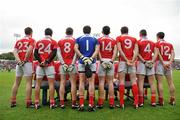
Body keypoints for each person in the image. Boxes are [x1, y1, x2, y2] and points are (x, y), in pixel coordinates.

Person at [74, 25, 99, 111]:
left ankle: (81, 104)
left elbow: (75, 48)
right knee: (91, 82)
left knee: (81, 82)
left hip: (82, 62)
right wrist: (91, 58)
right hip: (92, 62)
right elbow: (97, 50)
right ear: (90, 30)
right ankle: (91, 104)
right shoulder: (95, 39)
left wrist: (82, 57)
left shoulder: (79, 38)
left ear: (83, 30)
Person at [10, 27, 35, 108]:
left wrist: (19, 61)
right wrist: (24, 60)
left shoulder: (19, 41)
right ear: (31, 32)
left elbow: (14, 51)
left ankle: (13, 101)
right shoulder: (31, 40)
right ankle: (28, 102)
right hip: (27, 63)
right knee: (28, 83)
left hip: (19, 63)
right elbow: (29, 50)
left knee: (16, 82)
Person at [34, 28, 58, 109]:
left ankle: (36, 103)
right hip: (49, 65)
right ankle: (52, 103)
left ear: (44, 33)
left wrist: (41, 62)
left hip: (40, 65)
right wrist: (47, 61)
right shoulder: (53, 41)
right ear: (51, 34)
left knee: (37, 84)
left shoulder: (38, 41)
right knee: (51, 84)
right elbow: (54, 53)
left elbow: (35, 53)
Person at [116, 26, 139, 109]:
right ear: (127, 31)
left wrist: (126, 60)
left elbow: (120, 50)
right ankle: (136, 102)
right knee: (134, 81)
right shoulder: (134, 39)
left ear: (121, 31)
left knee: (121, 81)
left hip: (123, 61)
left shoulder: (119, 38)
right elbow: (136, 51)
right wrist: (132, 60)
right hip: (131, 61)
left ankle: (122, 103)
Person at [57, 27, 78, 109]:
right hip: (71, 63)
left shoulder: (60, 41)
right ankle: (73, 103)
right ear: (72, 33)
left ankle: (62, 103)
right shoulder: (75, 40)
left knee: (62, 82)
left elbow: (58, 54)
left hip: (63, 64)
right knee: (73, 83)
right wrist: (72, 64)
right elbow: (76, 53)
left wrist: (63, 63)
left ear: (65, 32)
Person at [97, 26, 117, 109]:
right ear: (110, 32)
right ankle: (111, 102)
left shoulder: (99, 40)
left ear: (102, 31)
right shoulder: (113, 40)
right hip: (110, 61)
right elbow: (115, 52)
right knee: (110, 82)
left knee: (101, 82)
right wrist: (112, 61)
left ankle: (101, 102)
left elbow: (97, 51)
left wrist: (101, 60)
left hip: (102, 61)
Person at [136, 29, 157, 107]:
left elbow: (137, 53)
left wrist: (144, 61)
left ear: (140, 34)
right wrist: (152, 61)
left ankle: (141, 102)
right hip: (150, 63)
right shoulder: (152, 42)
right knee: (152, 82)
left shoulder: (138, 42)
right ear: (146, 34)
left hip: (142, 63)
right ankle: (153, 101)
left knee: (140, 82)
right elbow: (156, 53)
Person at [155, 32, 175, 106]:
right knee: (170, 82)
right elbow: (173, 54)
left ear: (158, 36)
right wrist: (169, 62)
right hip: (168, 63)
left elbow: (158, 54)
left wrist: (163, 63)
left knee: (160, 83)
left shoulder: (157, 44)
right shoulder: (170, 44)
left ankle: (161, 101)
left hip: (160, 63)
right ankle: (172, 100)